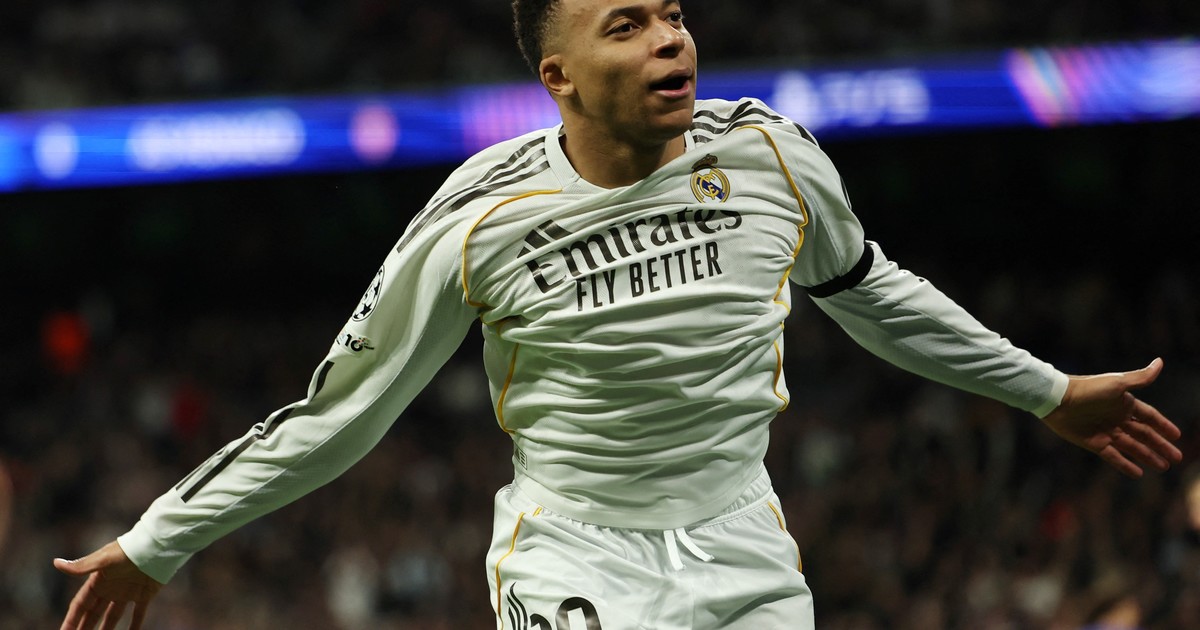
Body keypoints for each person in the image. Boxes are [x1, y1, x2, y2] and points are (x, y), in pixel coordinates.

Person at [56, 1, 1184, 628]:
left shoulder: (772, 157)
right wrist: (161, 540)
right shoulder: (477, 220)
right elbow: (339, 413)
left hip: (745, 546)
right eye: (629, 25)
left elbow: (867, 291)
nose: (670, 41)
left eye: (674, 16)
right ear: (558, 74)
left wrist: (1046, 391)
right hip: (575, 556)